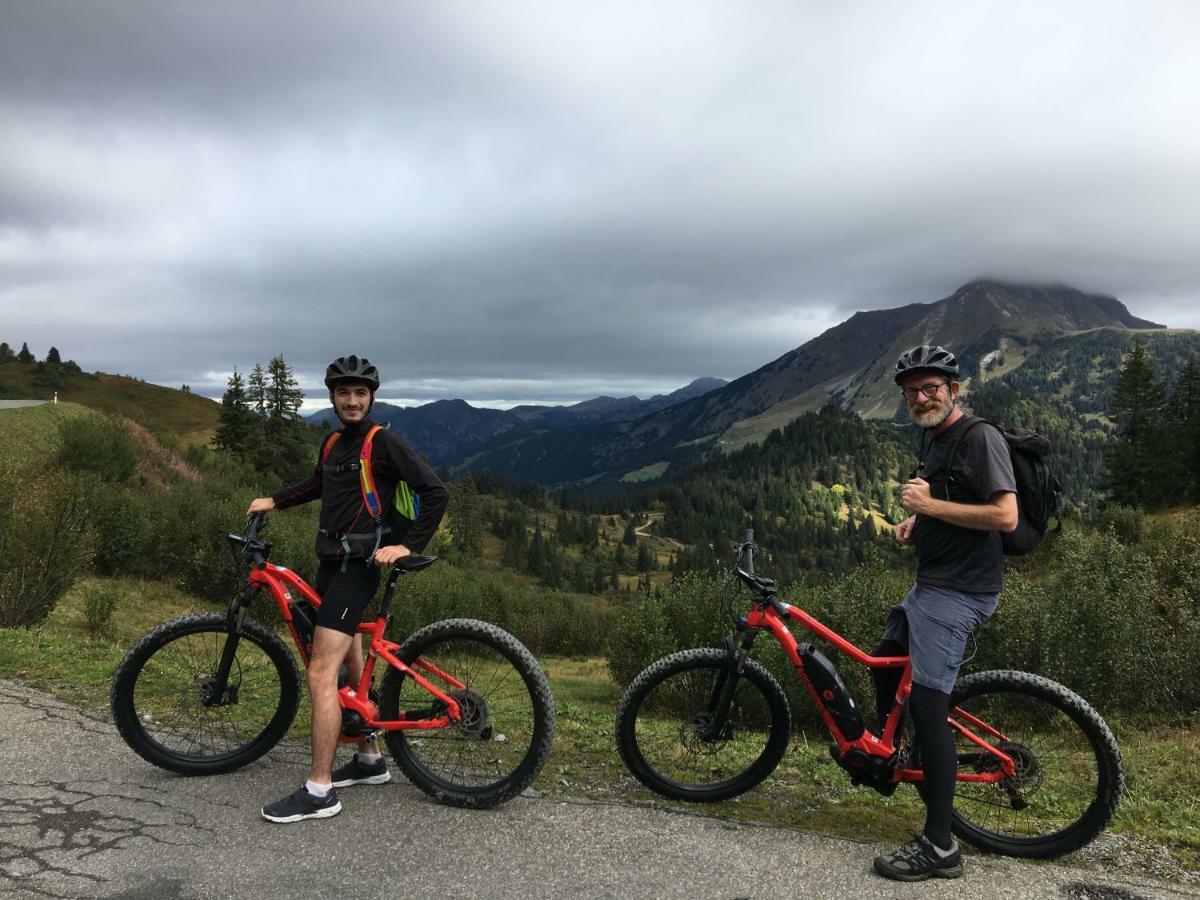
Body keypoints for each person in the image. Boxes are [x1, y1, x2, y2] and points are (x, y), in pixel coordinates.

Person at [249, 354, 449, 823]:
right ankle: (368, 759)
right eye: (344, 393)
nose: (352, 400)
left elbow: (436, 491)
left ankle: (320, 792)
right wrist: (275, 499)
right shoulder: (333, 442)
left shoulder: (384, 444)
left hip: (358, 569)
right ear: (333, 397)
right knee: (351, 661)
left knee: (321, 673)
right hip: (329, 563)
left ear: (371, 397)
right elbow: (319, 485)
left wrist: (404, 546)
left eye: (361, 393)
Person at [871, 344, 1017, 881]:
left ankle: (939, 846)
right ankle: (898, 758)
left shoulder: (979, 438)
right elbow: (954, 504)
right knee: (885, 661)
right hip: (931, 585)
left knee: (930, 710)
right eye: (912, 392)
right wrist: (921, 524)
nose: (921, 397)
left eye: (931, 388)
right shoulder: (936, 439)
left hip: (959, 593)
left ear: (954, 390)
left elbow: (1005, 514)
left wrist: (928, 507)